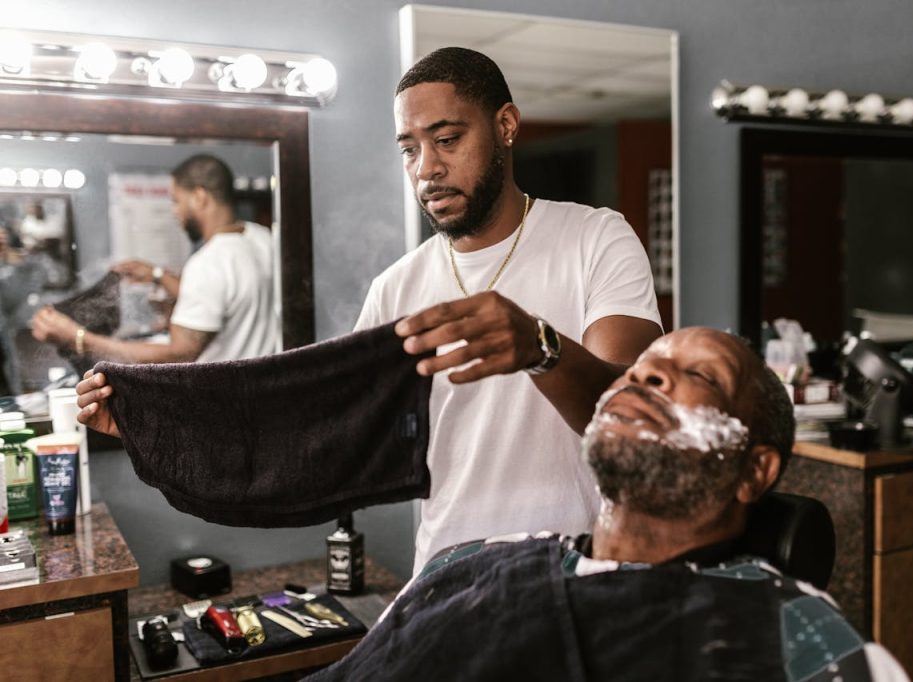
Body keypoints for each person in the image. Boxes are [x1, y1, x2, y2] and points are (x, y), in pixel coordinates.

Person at [77, 47, 663, 573]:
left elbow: (629, 423)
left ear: (505, 126)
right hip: (451, 572)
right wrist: (146, 420)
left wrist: (540, 348)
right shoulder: (396, 288)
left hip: (583, 567)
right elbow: (316, 440)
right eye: (410, 148)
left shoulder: (595, 238)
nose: (426, 168)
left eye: (448, 139)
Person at [308, 327, 909, 682]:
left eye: (699, 374)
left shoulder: (793, 632)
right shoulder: (461, 566)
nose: (646, 377)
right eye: (641, 368)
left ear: (754, 472)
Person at [31, 154, 277, 364]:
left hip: (227, 405)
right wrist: (157, 275)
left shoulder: (209, 262)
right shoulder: (261, 238)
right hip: (262, 390)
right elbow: (223, 295)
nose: (174, 211)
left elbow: (179, 354)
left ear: (200, 197)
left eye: (176, 201)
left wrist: (77, 338)